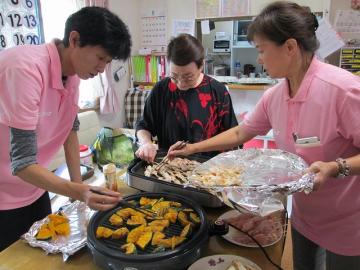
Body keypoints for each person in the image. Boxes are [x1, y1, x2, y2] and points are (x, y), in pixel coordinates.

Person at [168, 2, 360, 269]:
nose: (258, 59)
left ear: (290, 47)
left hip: (348, 222)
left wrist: (335, 167)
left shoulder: (341, 89)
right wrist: (192, 148)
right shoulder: (276, 96)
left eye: (261, 50)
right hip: (304, 217)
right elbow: (241, 131)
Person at [0, 7, 132, 251]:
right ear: (74, 39)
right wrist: (81, 191)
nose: (103, 68)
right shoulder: (25, 69)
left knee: (42, 252)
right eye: (100, 58)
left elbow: (69, 130)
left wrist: (76, 191)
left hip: (36, 186)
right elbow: (22, 162)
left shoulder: (72, 75)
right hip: (4, 196)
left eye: (108, 62)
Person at [135, 34, 238, 163]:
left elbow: (234, 138)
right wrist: (146, 143)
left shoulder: (218, 92)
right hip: (168, 169)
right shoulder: (161, 90)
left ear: (201, 66)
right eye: (174, 76)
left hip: (208, 172)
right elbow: (144, 125)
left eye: (188, 77)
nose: (181, 84)